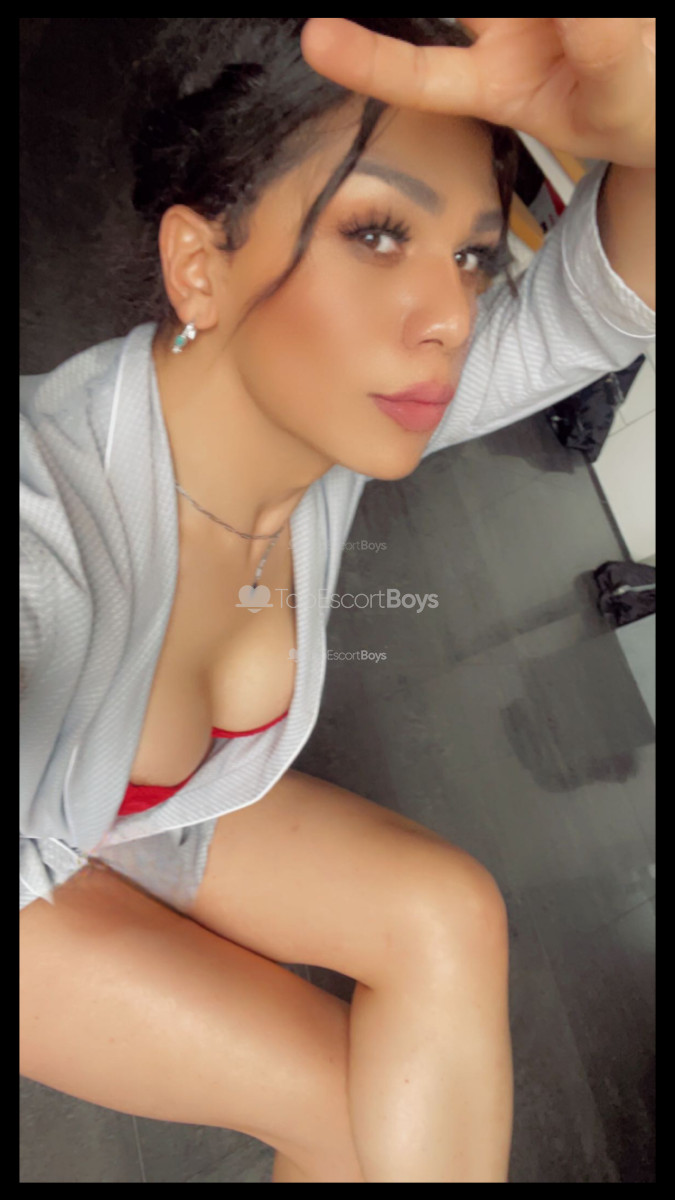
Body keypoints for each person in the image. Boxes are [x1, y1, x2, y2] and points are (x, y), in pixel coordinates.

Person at [20, 19, 655, 1184]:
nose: (451, 315)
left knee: (450, 910)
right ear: (199, 265)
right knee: (345, 1113)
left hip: (128, 803)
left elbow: (583, 315)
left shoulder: (322, 422)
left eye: (473, 257)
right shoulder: (43, 534)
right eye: (377, 233)